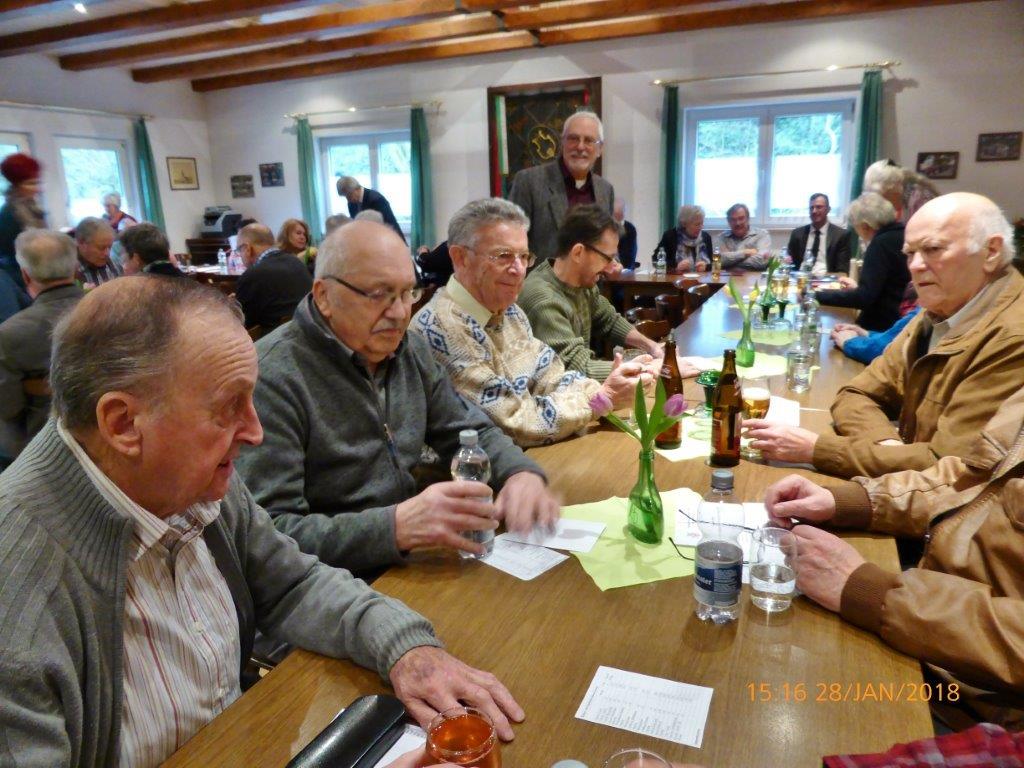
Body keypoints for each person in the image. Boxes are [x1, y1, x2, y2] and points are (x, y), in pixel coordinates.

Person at [0, 276, 525, 768]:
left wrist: (407, 648)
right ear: (122, 424)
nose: (255, 432)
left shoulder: (182, 478)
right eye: (229, 406)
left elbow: (293, 583)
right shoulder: (18, 593)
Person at [235, 220, 560, 572]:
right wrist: (393, 527)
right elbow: (269, 536)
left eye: (408, 293)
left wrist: (519, 473)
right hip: (329, 581)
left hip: (403, 563)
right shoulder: (273, 377)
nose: (400, 312)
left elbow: (468, 428)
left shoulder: (409, 351)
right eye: (379, 294)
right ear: (324, 296)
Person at [763, 383, 1024, 728]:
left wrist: (871, 593)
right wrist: (853, 501)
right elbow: (967, 479)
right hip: (922, 617)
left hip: (972, 710)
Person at [745, 192, 1024, 480]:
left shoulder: (1012, 337)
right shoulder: (938, 311)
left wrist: (817, 449)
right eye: (910, 253)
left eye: (932, 249)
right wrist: (888, 448)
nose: (915, 265)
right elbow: (856, 394)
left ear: (991, 252)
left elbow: (948, 470)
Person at [412, 198, 647, 447]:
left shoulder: (509, 312)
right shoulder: (442, 328)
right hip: (471, 468)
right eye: (503, 256)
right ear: (460, 258)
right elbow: (515, 424)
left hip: (527, 456)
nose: (518, 269)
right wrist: (600, 400)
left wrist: (599, 394)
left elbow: (553, 376)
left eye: (524, 256)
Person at [518, 204, 685, 381]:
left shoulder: (582, 282)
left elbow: (610, 321)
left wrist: (653, 347)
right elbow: (576, 369)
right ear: (578, 253)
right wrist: (652, 368)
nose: (615, 266)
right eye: (608, 258)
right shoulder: (544, 300)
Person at [0, 229, 83, 464]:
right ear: (75, 267)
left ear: (25, 275)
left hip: (41, 450)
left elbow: (8, 408)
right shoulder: (110, 313)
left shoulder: (10, 333)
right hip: (111, 438)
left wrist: (40, 386)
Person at [507, 110, 614, 261]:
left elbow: (608, 246)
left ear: (600, 149)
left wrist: (613, 263)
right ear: (562, 142)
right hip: (543, 276)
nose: (580, 146)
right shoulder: (529, 182)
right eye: (573, 138)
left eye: (589, 140)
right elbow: (511, 245)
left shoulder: (605, 190)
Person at [813, 192, 909, 331]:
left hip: (883, 326)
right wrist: (859, 288)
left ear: (865, 226)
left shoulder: (880, 244)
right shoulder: (902, 233)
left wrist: (816, 295)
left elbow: (864, 298)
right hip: (902, 318)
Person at [234, 222, 312, 329]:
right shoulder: (296, 262)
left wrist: (232, 305)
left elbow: (241, 324)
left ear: (247, 248)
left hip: (275, 336)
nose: (240, 255)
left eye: (239, 250)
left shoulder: (252, 276)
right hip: (307, 331)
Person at [0, 152, 46, 292]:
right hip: (22, 281)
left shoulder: (34, 208)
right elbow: (11, 258)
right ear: (16, 185)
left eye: (37, 182)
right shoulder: (8, 214)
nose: (38, 188)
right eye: (31, 183)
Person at [786, 193, 852, 275]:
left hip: (827, 279)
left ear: (828, 209)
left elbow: (842, 271)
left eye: (818, 207)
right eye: (811, 208)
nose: (814, 211)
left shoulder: (840, 235)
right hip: (801, 278)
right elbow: (789, 265)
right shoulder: (797, 234)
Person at [830, 307, 920, 364]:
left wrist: (849, 342)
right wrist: (865, 333)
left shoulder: (921, 312)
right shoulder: (922, 310)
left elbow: (883, 350)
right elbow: (893, 337)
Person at [864, 158, 939, 222]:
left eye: (883, 195)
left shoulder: (921, 198)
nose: (881, 201)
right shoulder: (900, 196)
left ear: (893, 187)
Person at [337, 175, 406, 243]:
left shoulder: (376, 199)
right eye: (345, 197)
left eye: (349, 195)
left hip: (388, 239)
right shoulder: (351, 203)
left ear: (356, 189)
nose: (348, 200)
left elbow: (389, 223)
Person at [653, 204, 713, 273]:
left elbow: (714, 263)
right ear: (684, 224)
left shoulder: (706, 237)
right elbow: (656, 261)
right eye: (697, 224)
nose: (701, 227)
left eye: (702, 223)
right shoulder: (670, 236)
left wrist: (706, 266)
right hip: (676, 278)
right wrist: (676, 266)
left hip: (702, 278)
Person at [713, 203, 770, 270]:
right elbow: (718, 260)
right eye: (733, 219)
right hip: (729, 276)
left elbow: (762, 260)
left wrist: (730, 262)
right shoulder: (722, 237)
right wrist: (745, 253)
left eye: (741, 218)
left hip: (754, 276)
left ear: (748, 219)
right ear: (728, 222)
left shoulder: (761, 234)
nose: (737, 223)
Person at [74, 216, 121, 285]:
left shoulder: (114, 265)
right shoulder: (69, 272)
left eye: (109, 247)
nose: (107, 253)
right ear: (81, 244)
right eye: (101, 248)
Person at [613, 197, 637, 269]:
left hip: (625, 267)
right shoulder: (607, 227)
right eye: (615, 215)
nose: (616, 219)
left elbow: (630, 254)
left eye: (619, 215)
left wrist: (621, 267)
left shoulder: (630, 228)